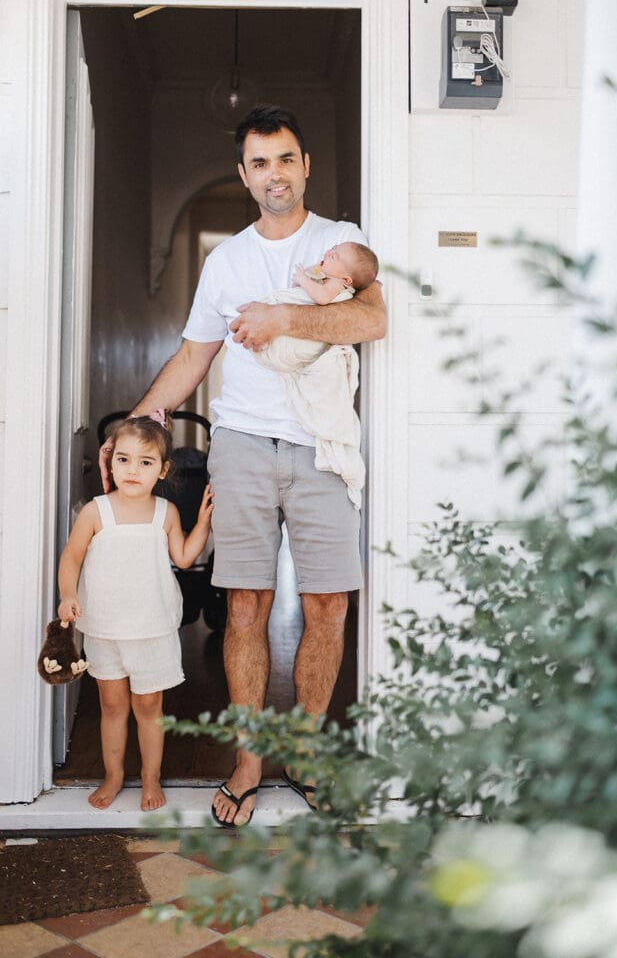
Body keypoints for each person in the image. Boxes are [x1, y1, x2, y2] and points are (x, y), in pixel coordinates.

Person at [100, 104, 386, 828]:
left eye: (285, 159)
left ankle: (310, 752)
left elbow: (370, 320)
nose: (274, 174)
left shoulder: (339, 243)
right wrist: (135, 425)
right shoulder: (225, 260)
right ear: (244, 174)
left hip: (322, 448)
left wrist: (283, 317)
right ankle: (251, 759)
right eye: (260, 163)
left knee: (327, 605)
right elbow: (196, 355)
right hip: (243, 444)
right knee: (247, 605)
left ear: (304, 166)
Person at [60, 415, 214, 811]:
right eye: (124, 460)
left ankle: (149, 778)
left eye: (145, 462)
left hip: (153, 631)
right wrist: (66, 595)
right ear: (109, 463)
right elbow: (72, 557)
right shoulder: (96, 512)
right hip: (105, 629)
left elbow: (182, 557)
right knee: (112, 708)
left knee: (149, 709)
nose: (133, 470)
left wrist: (204, 521)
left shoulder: (166, 513)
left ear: (162, 470)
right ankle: (113, 775)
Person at [255, 241, 379, 508]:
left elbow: (321, 299)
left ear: (347, 279)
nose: (328, 253)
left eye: (334, 256)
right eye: (330, 250)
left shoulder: (337, 286)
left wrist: (303, 278)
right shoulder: (329, 278)